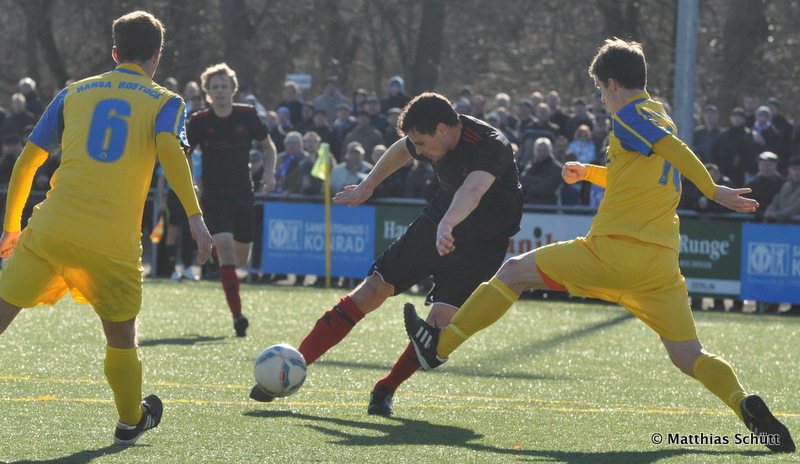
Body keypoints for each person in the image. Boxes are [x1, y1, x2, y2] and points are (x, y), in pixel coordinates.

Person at [404, 39, 794, 453]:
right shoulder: (658, 115)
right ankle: (745, 405)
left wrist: (714, 190)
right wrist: (589, 172)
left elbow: (673, 151)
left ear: (612, 84)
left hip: (611, 251)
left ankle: (437, 348)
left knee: (512, 272)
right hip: (659, 266)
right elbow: (642, 172)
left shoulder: (629, 115)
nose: (602, 99)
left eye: (600, 90)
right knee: (688, 355)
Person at [0, 11, 212, 445]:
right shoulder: (166, 100)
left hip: (51, 228)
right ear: (156, 57)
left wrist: (10, 226)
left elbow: (28, 161)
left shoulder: (73, 92)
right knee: (120, 338)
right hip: (111, 245)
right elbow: (172, 152)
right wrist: (195, 217)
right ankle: (131, 420)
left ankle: (133, 419)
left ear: (114, 53)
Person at [249, 92, 522, 418]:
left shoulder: (491, 144)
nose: (418, 151)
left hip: (482, 244)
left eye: (421, 144)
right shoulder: (429, 136)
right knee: (372, 290)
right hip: (437, 223)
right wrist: (369, 184)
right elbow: (401, 149)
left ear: (441, 129)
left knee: (436, 328)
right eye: (416, 145)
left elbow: (473, 190)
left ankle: (385, 389)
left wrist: (449, 223)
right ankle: (295, 365)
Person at [187, 63, 276, 337]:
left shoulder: (247, 115)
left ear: (232, 89)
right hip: (213, 197)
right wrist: (191, 181)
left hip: (243, 195)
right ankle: (238, 317)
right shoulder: (199, 121)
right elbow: (184, 153)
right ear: (208, 92)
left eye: (224, 86)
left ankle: (216, 254)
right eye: (215, 87)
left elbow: (268, 146)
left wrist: (269, 173)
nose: (220, 91)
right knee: (226, 251)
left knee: (239, 258)